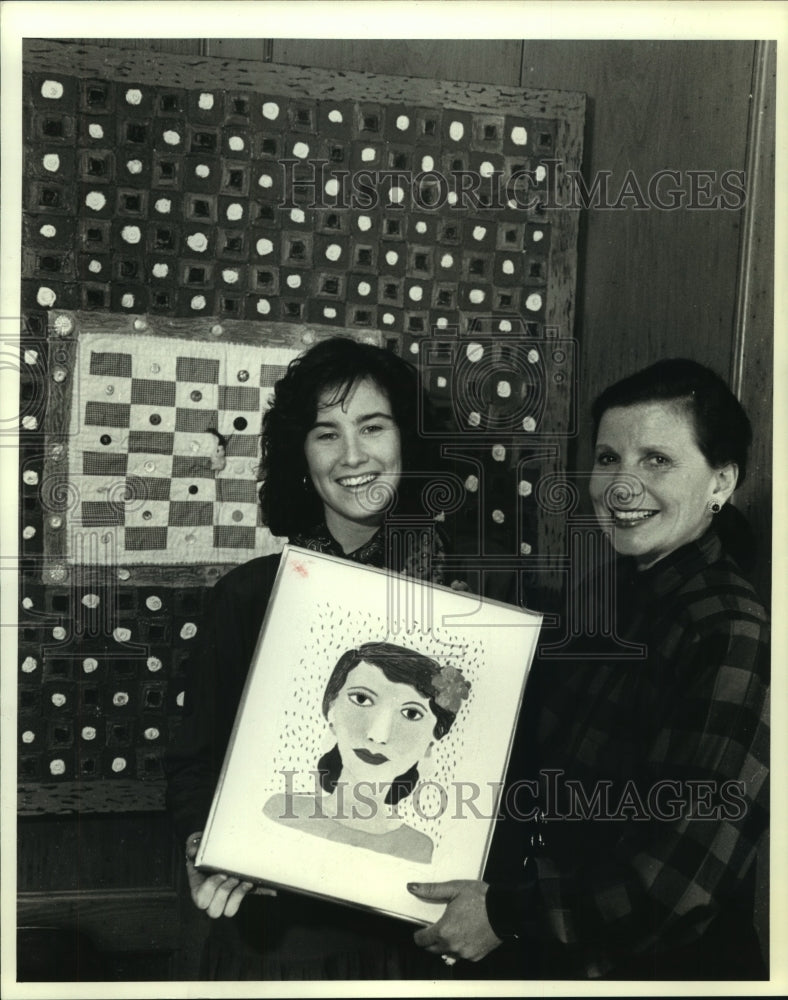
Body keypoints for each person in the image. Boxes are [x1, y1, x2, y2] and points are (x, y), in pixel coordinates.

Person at [409, 358, 770, 980]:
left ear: (721, 482)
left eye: (657, 459)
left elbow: (674, 889)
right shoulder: (606, 593)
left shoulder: (731, 629)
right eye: (608, 460)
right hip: (559, 955)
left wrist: (504, 915)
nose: (622, 487)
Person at [163, 335, 463, 980]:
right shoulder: (246, 599)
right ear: (302, 457)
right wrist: (203, 844)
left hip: (418, 936)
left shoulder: (475, 607)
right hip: (279, 937)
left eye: (373, 427)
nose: (353, 455)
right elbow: (194, 766)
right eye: (326, 433)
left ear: (409, 442)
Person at [263, 641, 471, 864]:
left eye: (411, 714)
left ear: (431, 743)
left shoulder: (419, 851)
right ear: (331, 711)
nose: (378, 735)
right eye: (362, 699)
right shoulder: (279, 812)